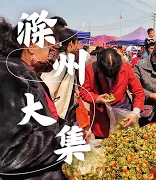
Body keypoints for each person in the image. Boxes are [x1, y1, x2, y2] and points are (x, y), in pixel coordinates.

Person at [0, 17, 76, 180]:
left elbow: (43, 122)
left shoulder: (29, 76)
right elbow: (11, 154)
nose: (54, 53)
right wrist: (64, 140)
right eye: (50, 47)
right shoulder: (10, 78)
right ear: (32, 44)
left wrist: (68, 129)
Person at [80, 48, 145, 138]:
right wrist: (97, 98)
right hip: (101, 118)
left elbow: (138, 91)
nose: (111, 74)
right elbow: (84, 92)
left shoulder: (126, 68)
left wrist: (135, 112)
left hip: (122, 114)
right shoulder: (91, 69)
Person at [41, 28, 79, 119]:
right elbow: (49, 90)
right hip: (56, 113)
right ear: (70, 44)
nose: (77, 47)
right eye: (76, 43)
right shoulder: (61, 62)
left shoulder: (66, 60)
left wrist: (75, 88)